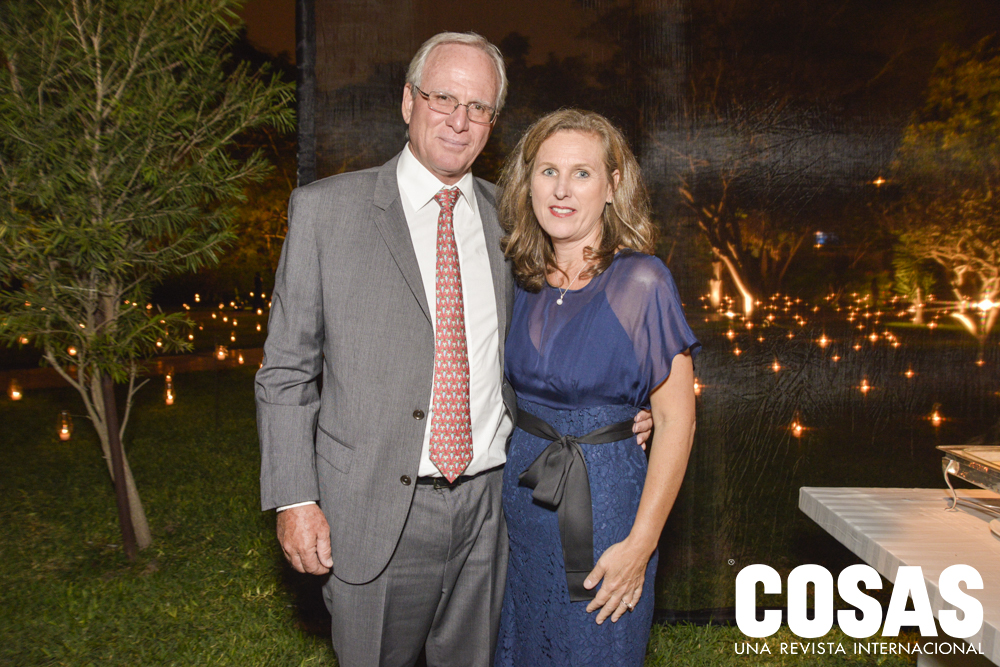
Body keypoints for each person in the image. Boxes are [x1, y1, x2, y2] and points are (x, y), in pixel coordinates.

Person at [255, 34, 651, 667]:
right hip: (373, 513)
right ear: (408, 101)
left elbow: (557, 334)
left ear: (493, 122)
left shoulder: (515, 223)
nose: (459, 120)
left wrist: (614, 412)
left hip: (494, 512)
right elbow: (285, 373)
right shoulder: (326, 213)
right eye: (443, 98)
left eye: (479, 107)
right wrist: (296, 499)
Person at [493, 109, 700, 666]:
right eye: (548, 171)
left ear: (612, 186)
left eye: (581, 173)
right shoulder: (522, 278)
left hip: (606, 517)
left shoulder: (643, 281)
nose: (562, 189)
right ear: (528, 182)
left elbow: (677, 421)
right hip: (522, 513)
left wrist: (641, 545)